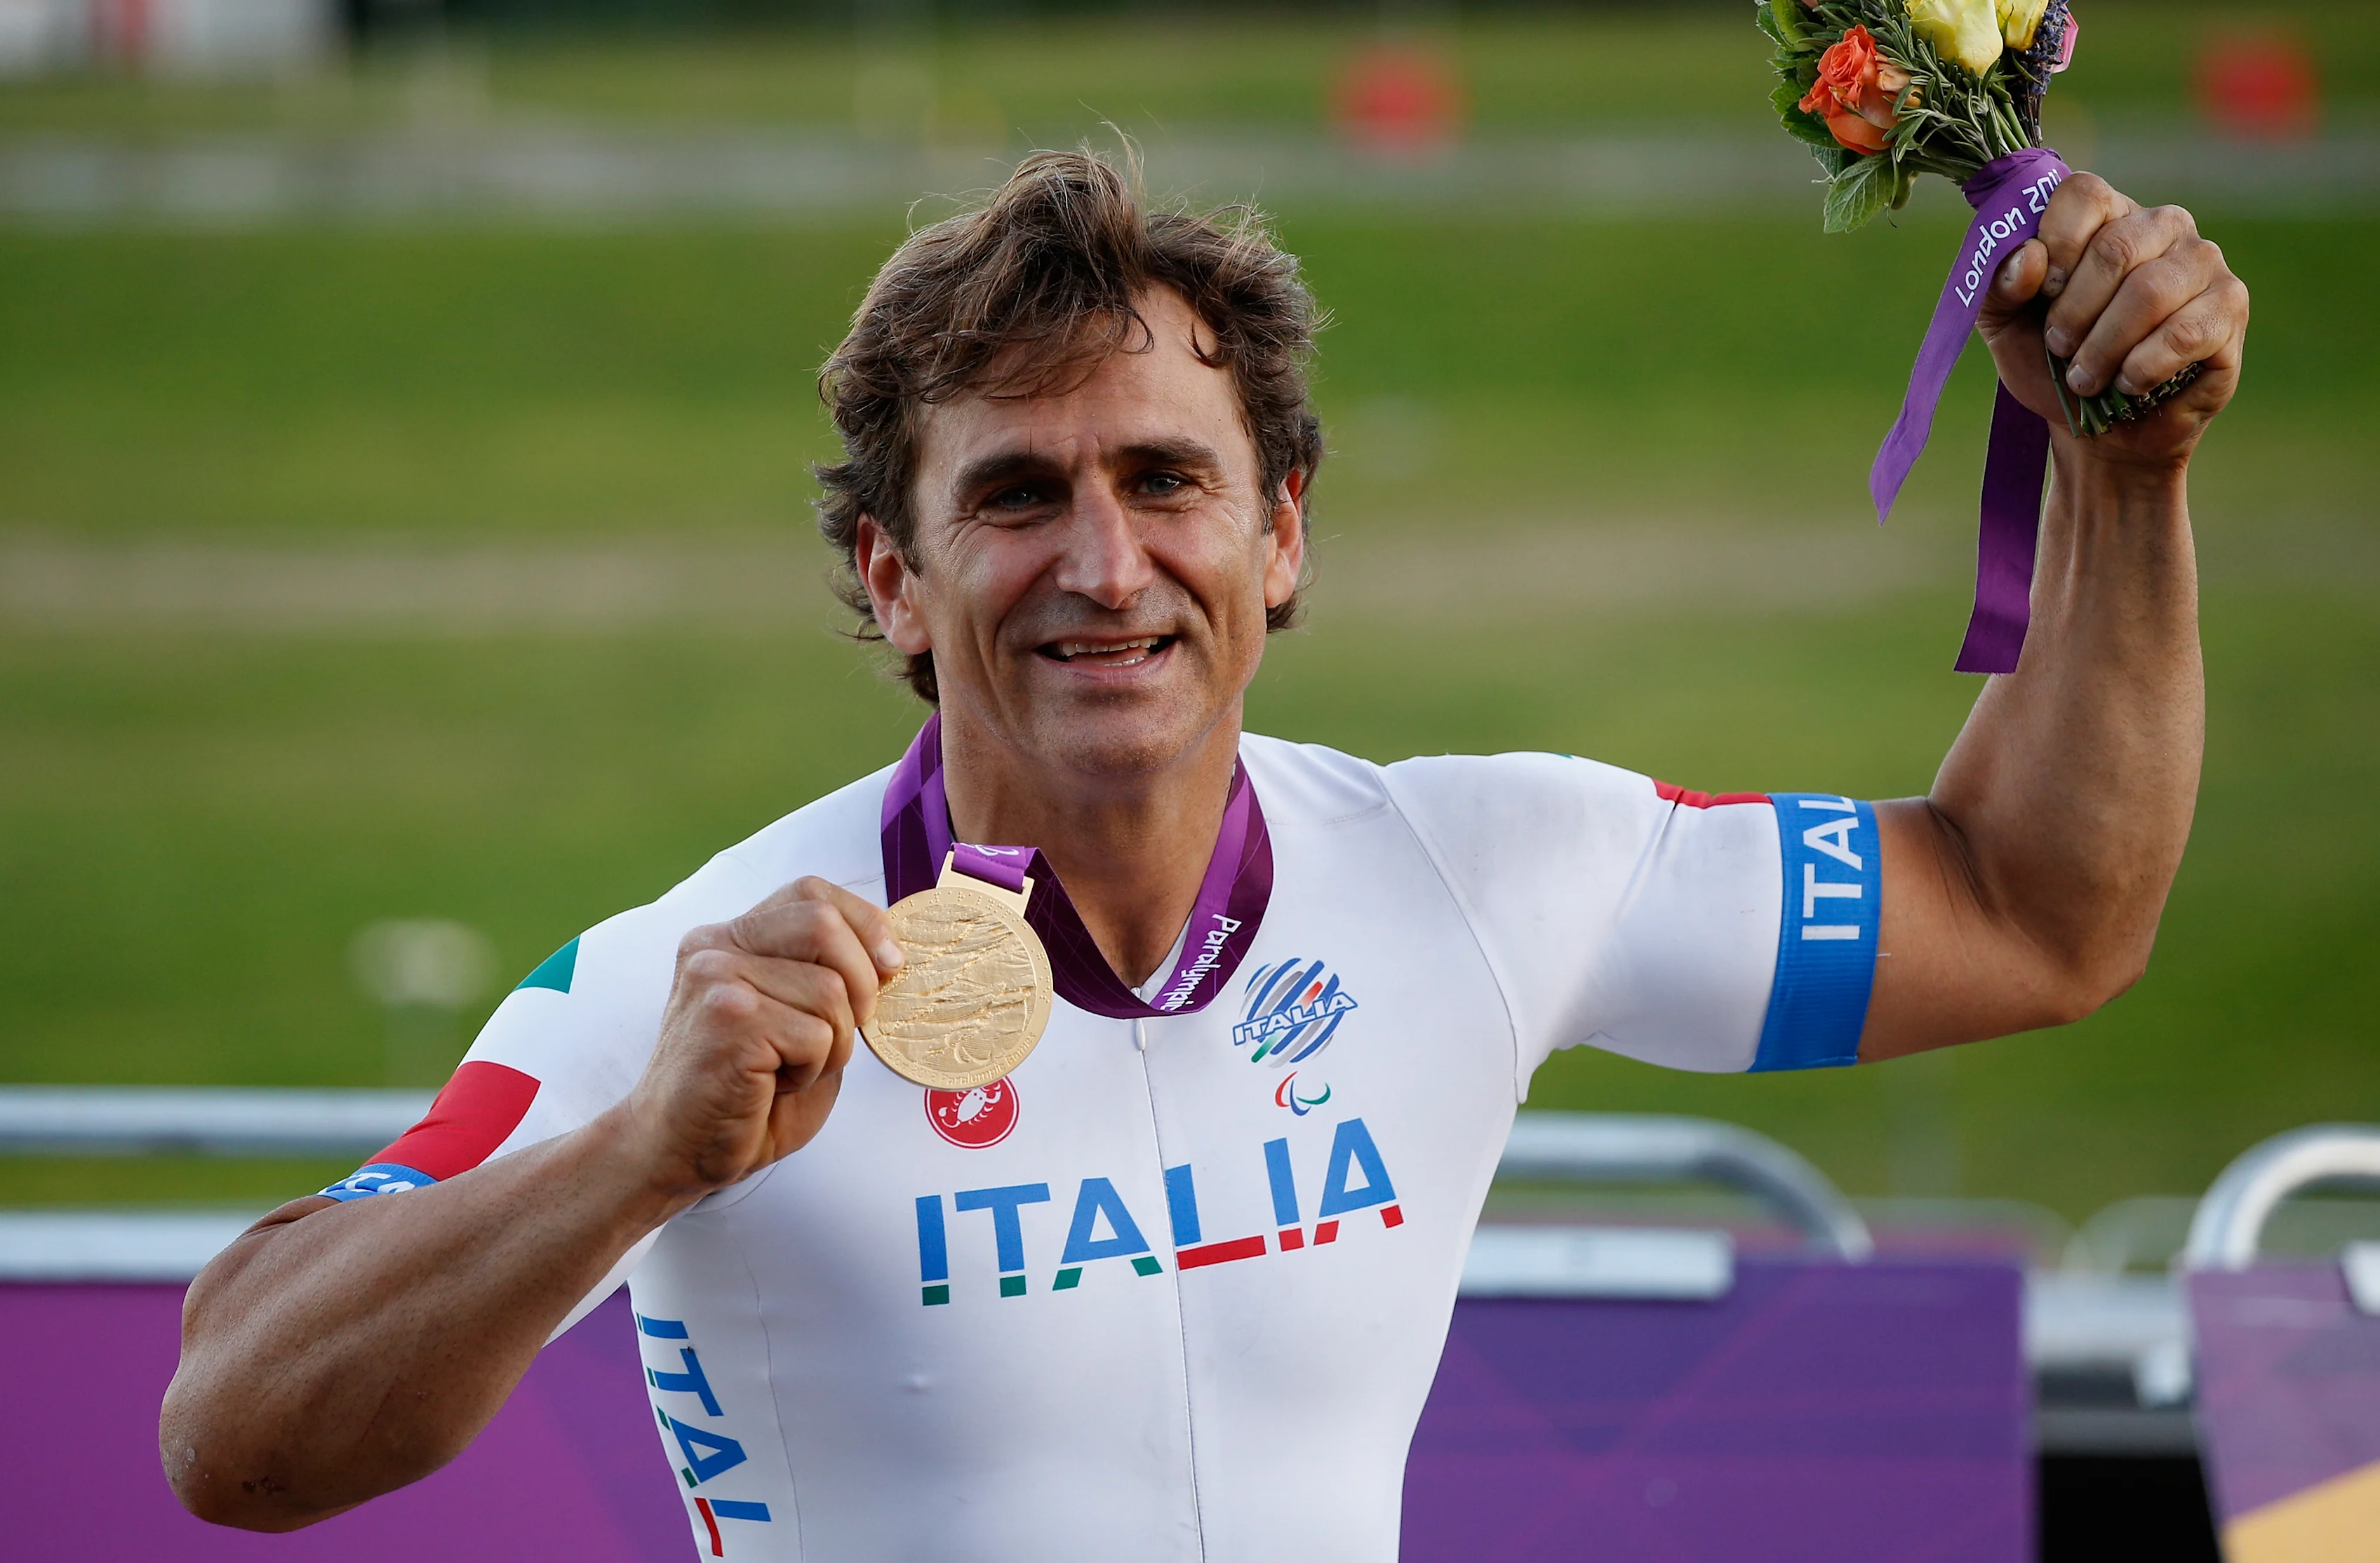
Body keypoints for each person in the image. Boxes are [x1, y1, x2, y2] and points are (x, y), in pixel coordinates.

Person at [161, 147, 2247, 1559]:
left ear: (1282, 537)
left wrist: (2121, 476)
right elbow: (229, 1432)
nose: (1103, 564)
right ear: (892, 576)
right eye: (1014, 498)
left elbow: (2034, 908)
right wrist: (635, 1165)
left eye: (1169, 478)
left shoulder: (1481, 872)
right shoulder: (696, 990)